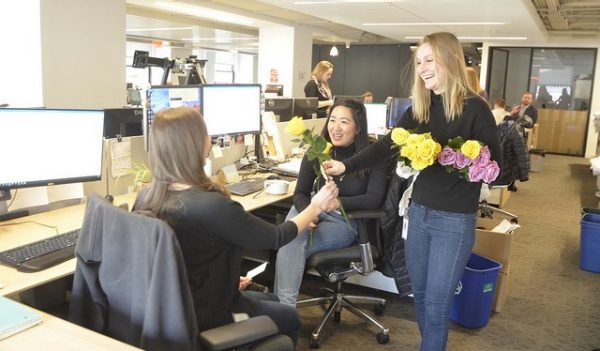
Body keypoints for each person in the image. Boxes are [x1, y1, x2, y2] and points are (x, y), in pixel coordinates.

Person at [323, 32, 501, 351]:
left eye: (430, 60)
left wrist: (457, 157)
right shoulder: (420, 108)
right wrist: (345, 166)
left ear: (450, 59)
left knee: (435, 306)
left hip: (453, 222)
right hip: (417, 215)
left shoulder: (477, 110)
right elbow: (385, 146)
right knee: (418, 295)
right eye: (419, 61)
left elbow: (498, 168)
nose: (422, 68)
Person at [134, 106, 340, 347]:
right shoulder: (213, 206)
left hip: (172, 309)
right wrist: (315, 207)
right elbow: (277, 237)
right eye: (205, 133)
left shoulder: (147, 196)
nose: (209, 139)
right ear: (196, 145)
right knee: (290, 317)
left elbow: (185, 255)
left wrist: (229, 276)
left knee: (271, 298)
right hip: (209, 313)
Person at [274, 99, 388, 306]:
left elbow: (374, 199)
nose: (335, 127)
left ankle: (284, 311)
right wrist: (307, 214)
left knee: (289, 244)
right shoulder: (318, 149)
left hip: (343, 221)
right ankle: (281, 311)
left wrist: (337, 203)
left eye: (344, 122)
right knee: (290, 238)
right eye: (332, 120)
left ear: (358, 127)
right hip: (310, 210)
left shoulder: (372, 155)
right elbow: (300, 193)